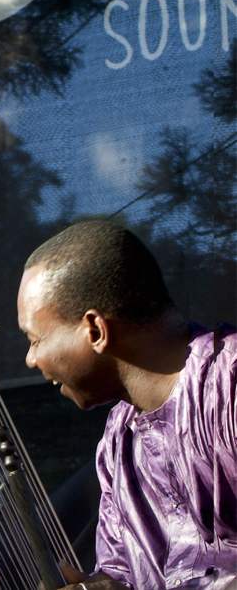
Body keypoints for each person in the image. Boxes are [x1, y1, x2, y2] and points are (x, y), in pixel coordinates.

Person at [16, 220, 236, 590]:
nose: (31, 360)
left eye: (36, 340)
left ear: (95, 331)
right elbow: (121, 573)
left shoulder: (228, 385)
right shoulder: (117, 445)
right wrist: (99, 586)